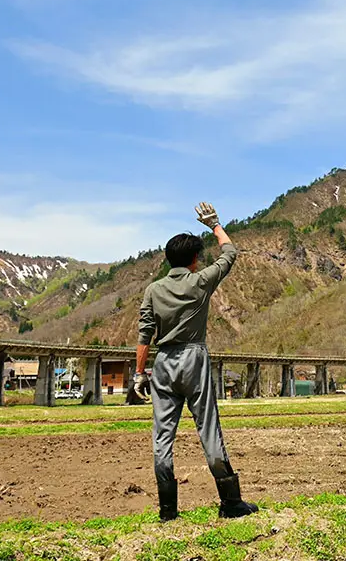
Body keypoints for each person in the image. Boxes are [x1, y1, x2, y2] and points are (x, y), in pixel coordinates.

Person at [134, 203, 257, 521]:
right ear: (193, 260)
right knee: (208, 428)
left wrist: (139, 374)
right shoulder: (200, 281)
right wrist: (215, 225)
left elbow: (144, 335)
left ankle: (167, 511)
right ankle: (230, 503)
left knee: (162, 435)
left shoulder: (153, 290)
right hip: (194, 357)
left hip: (163, 362)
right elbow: (230, 255)